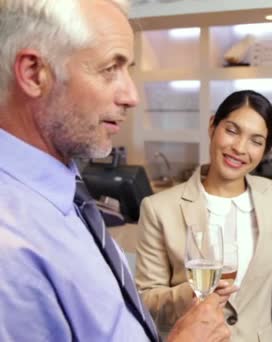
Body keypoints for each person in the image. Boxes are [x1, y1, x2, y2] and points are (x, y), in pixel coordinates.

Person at [0, 1, 229, 341]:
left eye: (128, 70)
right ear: (34, 73)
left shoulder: (64, 199)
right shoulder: (10, 246)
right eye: (110, 68)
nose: (132, 96)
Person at [136, 90, 272, 342]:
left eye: (256, 141)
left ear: (267, 149)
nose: (240, 148)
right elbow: (146, 299)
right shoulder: (158, 208)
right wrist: (194, 293)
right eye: (231, 131)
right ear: (212, 126)